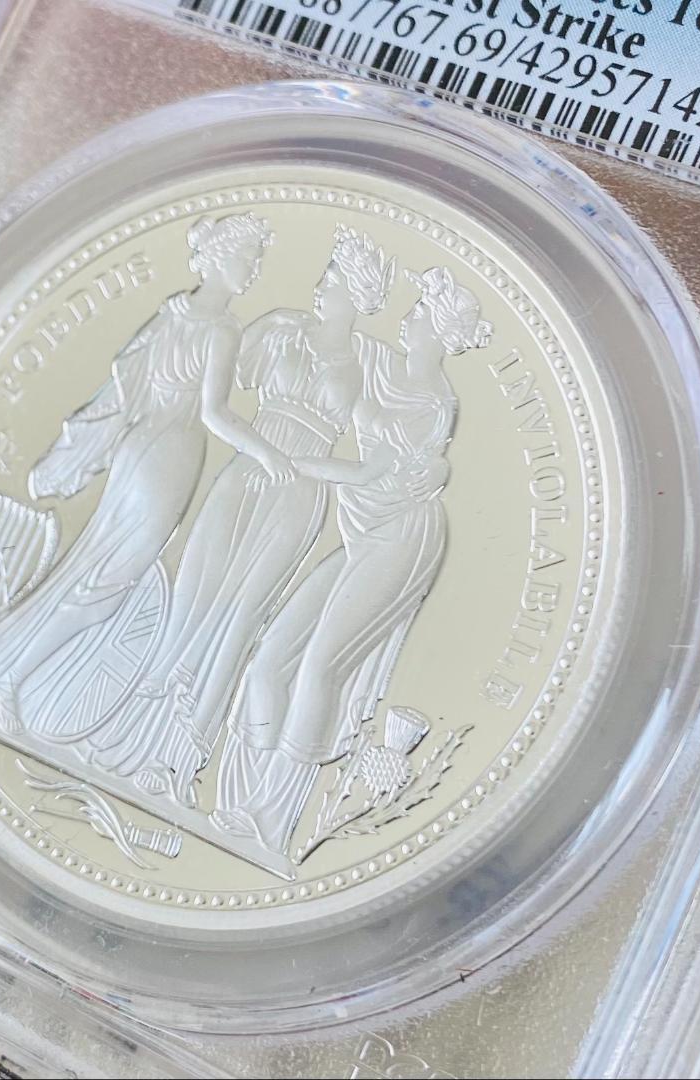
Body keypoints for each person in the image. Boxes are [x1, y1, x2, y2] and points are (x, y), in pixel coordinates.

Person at [81, 227, 397, 804]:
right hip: (245, 474)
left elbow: (378, 461)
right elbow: (214, 395)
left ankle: (178, 763)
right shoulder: (279, 328)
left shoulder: (368, 367)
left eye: (333, 280)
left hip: (297, 497)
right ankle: (126, 733)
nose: (320, 285)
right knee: (192, 599)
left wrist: (310, 467)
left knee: (238, 619)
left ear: (357, 295)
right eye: (325, 274)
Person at [0, 213, 285, 736]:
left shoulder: (170, 313)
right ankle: (7, 681)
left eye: (256, 261)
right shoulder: (221, 329)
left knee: (90, 570)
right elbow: (215, 413)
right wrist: (267, 454)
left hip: (138, 448)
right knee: (106, 584)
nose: (254, 270)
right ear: (219, 260)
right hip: (171, 454)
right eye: (248, 258)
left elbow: (122, 391)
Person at [212, 266, 493, 858]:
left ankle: (272, 820)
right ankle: (238, 802)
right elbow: (333, 340)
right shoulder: (381, 362)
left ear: (440, 333)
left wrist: (285, 460)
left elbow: (368, 472)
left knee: (320, 669)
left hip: (400, 540)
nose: (407, 317)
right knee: (270, 659)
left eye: (420, 313)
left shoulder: (433, 406)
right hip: (361, 535)